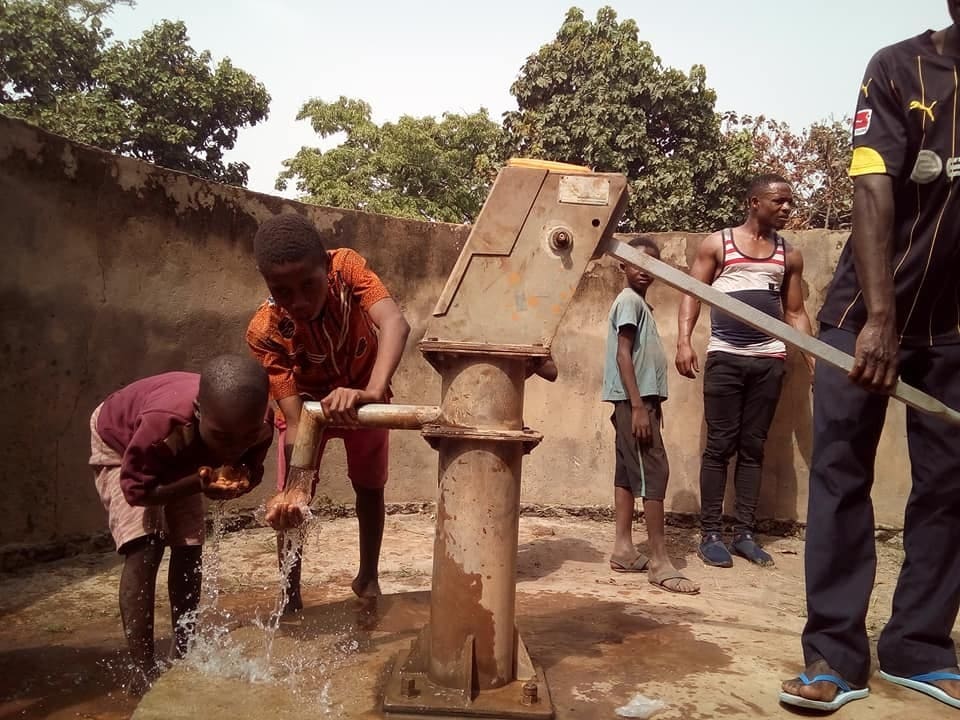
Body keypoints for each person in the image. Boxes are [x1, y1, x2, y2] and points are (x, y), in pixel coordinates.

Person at [781, 4, 960, 712]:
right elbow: (871, 185)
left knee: (950, 488)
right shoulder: (899, 68)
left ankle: (920, 646)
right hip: (864, 316)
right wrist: (880, 319)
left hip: (954, 326)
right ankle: (834, 653)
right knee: (840, 476)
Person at [245, 213, 411, 611]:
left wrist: (371, 391)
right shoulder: (265, 331)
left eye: (309, 284)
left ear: (325, 264)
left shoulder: (347, 266)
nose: (299, 301)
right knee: (292, 502)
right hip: (306, 407)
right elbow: (294, 420)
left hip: (363, 397)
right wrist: (297, 483)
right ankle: (289, 594)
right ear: (266, 283)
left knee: (369, 489)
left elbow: (394, 323)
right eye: (282, 291)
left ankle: (368, 576)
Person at [89, 355, 273, 692]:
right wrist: (198, 483)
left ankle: (184, 651)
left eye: (246, 437)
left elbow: (250, 467)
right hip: (123, 443)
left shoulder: (257, 426)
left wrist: (240, 477)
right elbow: (137, 491)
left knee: (189, 545)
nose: (234, 449)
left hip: (187, 454)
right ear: (200, 412)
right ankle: (142, 670)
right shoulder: (162, 425)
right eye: (223, 438)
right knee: (146, 545)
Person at [676, 174, 814, 569]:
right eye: (779, 201)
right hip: (726, 356)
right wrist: (684, 340)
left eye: (790, 202)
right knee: (720, 446)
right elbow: (692, 293)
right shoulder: (718, 244)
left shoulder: (789, 254)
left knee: (754, 448)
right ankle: (710, 534)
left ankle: (745, 535)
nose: (786, 208)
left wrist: (813, 360)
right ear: (754, 202)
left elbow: (795, 312)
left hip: (769, 359)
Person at [603, 236, 699, 595]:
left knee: (628, 474)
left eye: (652, 265)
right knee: (654, 471)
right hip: (635, 402)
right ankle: (659, 562)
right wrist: (639, 406)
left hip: (636, 402)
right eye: (637, 263)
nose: (644, 270)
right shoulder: (629, 301)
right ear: (623, 265)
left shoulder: (639, 304)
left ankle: (624, 549)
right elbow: (623, 354)